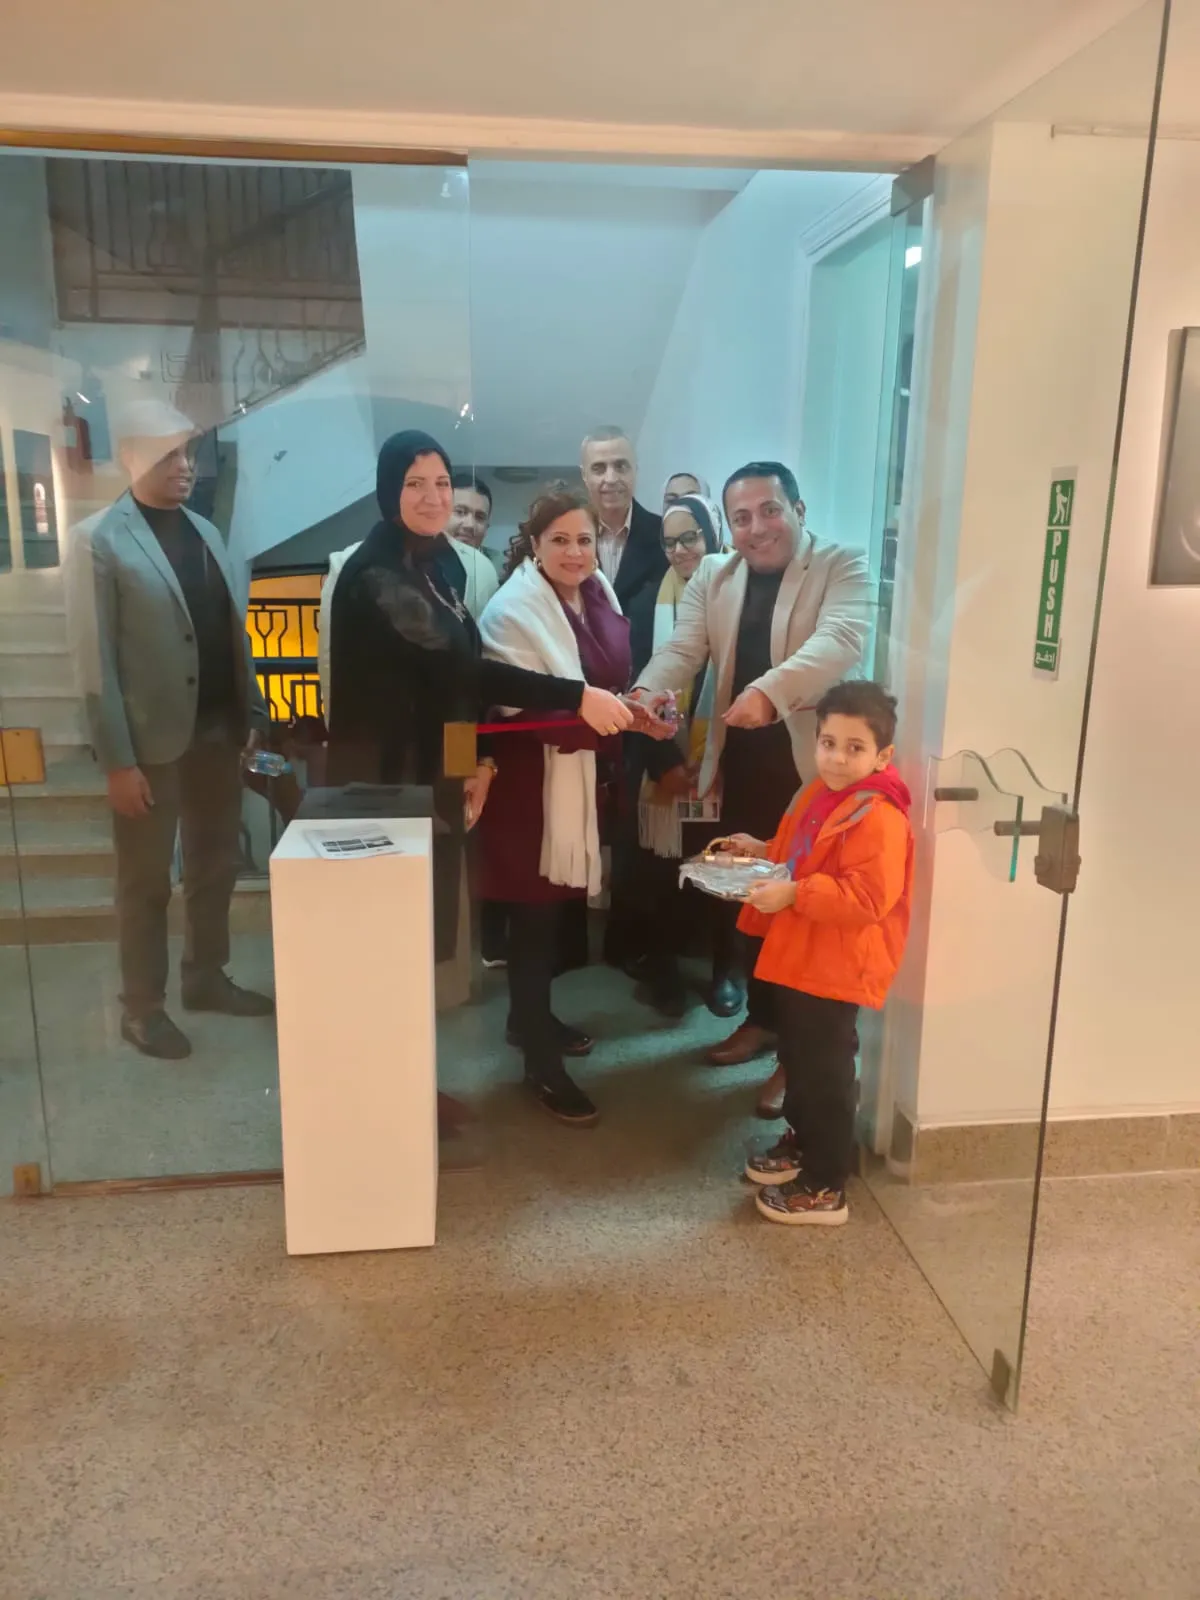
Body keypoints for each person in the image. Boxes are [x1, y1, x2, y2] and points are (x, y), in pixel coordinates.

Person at [324, 433, 636, 1131]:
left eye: (440, 482)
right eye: (415, 484)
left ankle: (406, 1082)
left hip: (431, 781)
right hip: (385, 786)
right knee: (392, 946)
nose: (432, 497)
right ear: (388, 490)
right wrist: (575, 696)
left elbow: (453, 697)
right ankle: (390, 1093)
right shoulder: (378, 574)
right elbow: (465, 673)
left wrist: (474, 763)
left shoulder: (439, 564)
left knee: (422, 941)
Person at [630, 460, 872, 1113]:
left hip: (819, 774)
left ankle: (801, 1057)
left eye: (770, 510)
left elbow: (839, 641)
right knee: (756, 903)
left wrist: (767, 692)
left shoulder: (843, 564)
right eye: (741, 517)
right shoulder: (715, 574)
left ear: (798, 509)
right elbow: (683, 650)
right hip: (744, 763)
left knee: (810, 915)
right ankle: (763, 1021)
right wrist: (644, 694)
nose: (757, 527)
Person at [64, 398, 274, 1061]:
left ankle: (205, 976)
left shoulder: (206, 531)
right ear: (130, 458)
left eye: (187, 452)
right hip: (148, 744)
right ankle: (142, 1007)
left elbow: (231, 632)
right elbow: (94, 662)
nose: (184, 465)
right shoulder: (99, 539)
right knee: (146, 880)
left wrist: (251, 713)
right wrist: (116, 761)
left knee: (215, 864)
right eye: (166, 454)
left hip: (215, 732)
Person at [477, 486, 654, 1126]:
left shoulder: (596, 591)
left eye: (584, 539)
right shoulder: (512, 610)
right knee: (533, 922)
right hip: (530, 787)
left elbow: (608, 681)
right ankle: (540, 1066)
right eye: (559, 540)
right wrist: (614, 716)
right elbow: (521, 709)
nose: (575, 552)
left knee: (552, 918)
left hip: (581, 773)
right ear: (534, 545)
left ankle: (528, 1019)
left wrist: (634, 711)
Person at [736, 681, 913, 1226]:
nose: (837, 757)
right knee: (799, 1058)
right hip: (804, 954)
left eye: (854, 747)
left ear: (882, 755)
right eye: (828, 743)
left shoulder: (879, 816)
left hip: (836, 964)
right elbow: (802, 855)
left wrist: (794, 894)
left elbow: (868, 899)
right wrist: (762, 852)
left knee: (826, 1071)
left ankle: (825, 1184)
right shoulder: (822, 792)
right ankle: (804, 1143)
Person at [633, 494, 726, 1017]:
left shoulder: (738, 596)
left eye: (691, 537)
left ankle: (725, 971)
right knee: (663, 877)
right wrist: (666, 763)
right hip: (666, 762)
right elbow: (636, 688)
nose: (681, 550)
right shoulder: (647, 603)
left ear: (712, 536)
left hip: (722, 761)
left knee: (723, 867)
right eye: (670, 542)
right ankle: (663, 969)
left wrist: (714, 759)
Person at [579, 427, 668, 974]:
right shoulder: (567, 534)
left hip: (646, 705)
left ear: (636, 470)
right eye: (598, 468)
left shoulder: (664, 537)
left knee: (638, 827)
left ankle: (632, 943)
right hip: (579, 704)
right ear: (584, 476)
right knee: (577, 815)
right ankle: (570, 942)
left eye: (620, 465)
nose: (610, 478)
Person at [317, 487, 497, 717]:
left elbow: (482, 656)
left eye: (479, 517)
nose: (469, 524)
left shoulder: (483, 570)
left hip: (460, 716)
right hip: (388, 717)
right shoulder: (353, 562)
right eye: (460, 511)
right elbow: (332, 655)